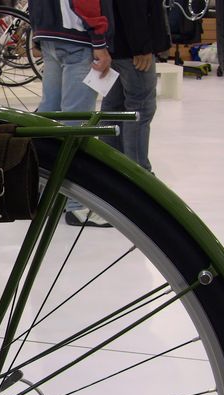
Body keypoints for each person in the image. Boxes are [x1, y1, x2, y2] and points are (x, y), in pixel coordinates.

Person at [28, 0, 112, 226]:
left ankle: (42, 195)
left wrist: (36, 31)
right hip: (76, 36)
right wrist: (99, 39)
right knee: (77, 123)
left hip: (49, 33)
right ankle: (77, 206)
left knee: (49, 118)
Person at [100, 0, 171, 172]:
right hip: (131, 50)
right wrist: (141, 47)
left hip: (110, 43)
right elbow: (133, 7)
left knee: (113, 107)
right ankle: (137, 174)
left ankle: (110, 168)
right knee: (139, 109)